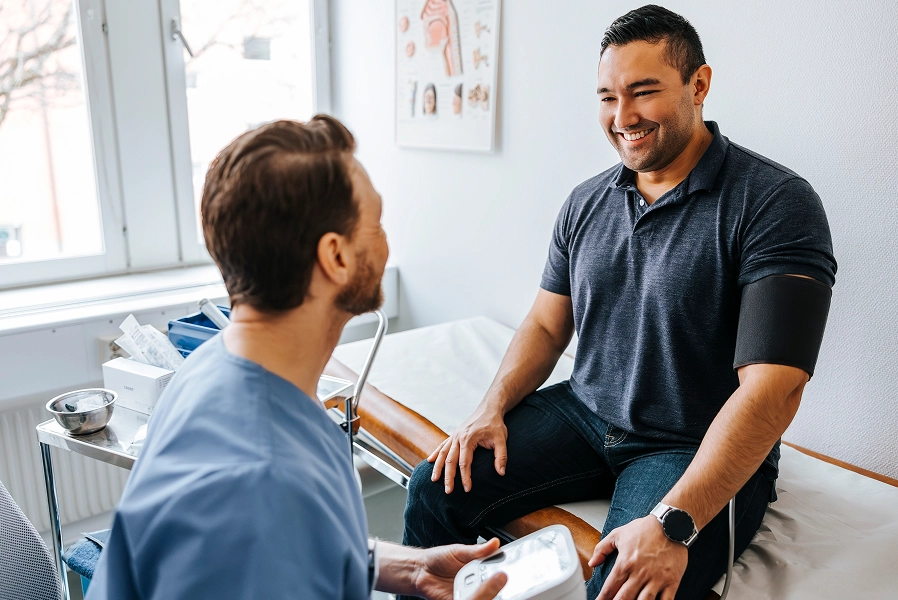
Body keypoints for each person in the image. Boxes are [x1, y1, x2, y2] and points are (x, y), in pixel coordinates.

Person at [402, 5, 836, 600]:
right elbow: (547, 323)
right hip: (586, 415)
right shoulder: (587, 202)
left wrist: (673, 522)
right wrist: (491, 407)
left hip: (689, 442)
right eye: (607, 96)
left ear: (699, 85)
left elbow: (775, 388)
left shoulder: (774, 202)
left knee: (621, 585)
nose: (622, 116)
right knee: (433, 487)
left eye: (643, 91)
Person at [87, 116, 506, 600]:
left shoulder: (215, 366)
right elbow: (266, 533)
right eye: (376, 223)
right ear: (336, 257)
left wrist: (407, 569)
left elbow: (287, 550)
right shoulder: (264, 481)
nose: (385, 240)